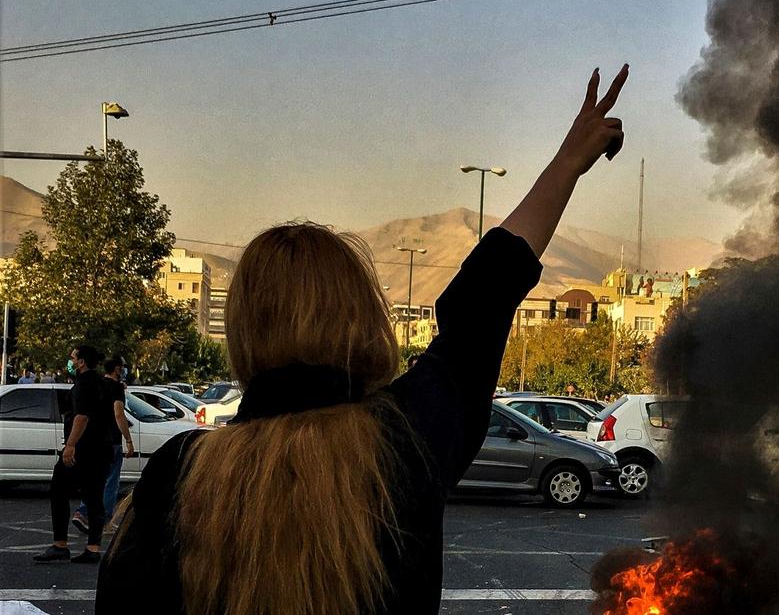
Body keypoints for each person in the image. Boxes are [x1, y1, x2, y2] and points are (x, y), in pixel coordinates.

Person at [98, 64, 630, 614]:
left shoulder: (179, 475)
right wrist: (567, 163)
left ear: (243, 328)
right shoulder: (406, 439)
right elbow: (482, 298)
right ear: (361, 315)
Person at [33, 345, 114, 564]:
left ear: (82, 362)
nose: (70, 361)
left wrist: (70, 445)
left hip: (84, 450)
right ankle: (93, 548)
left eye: (73, 358)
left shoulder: (84, 384)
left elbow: (82, 417)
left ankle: (60, 545)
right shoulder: (102, 383)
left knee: (58, 489)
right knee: (94, 497)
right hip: (102, 449)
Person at [72, 357, 134, 534]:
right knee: (110, 481)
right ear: (117, 369)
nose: (124, 370)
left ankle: (82, 512)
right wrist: (128, 440)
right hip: (111, 440)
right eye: (122, 367)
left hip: (93, 438)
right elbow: (118, 414)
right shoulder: (116, 388)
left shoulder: (97, 384)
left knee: (94, 479)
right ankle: (105, 521)